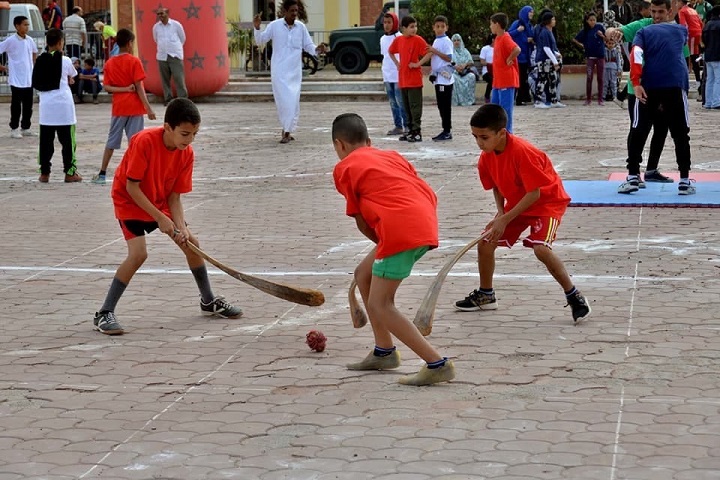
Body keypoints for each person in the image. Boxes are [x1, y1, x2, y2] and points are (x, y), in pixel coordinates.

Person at [93, 99, 243, 335]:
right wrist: (160, 219)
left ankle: (208, 300)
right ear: (167, 127)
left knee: (192, 243)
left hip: (158, 200)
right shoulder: (143, 141)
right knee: (139, 254)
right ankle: (104, 313)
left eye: (195, 134)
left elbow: (174, 198)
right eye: (185, 133)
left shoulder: (186, 153)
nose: (190, 139)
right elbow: (132, 187)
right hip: (130, 201)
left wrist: (180, 226)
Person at [331, 112, 455, 386]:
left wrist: (385, 246)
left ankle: (437, 363)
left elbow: (362, 223)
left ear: (339, 145)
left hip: (400, 229)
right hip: (424, 219)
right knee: (364, 273)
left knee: (380, 303)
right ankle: (383, 351)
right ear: (369, 141)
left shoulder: (344, 168)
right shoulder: (392, 155)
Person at [454, 104, 591, 324]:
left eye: (484, 137)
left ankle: (573, 295)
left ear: (501, 132)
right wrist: (500, 214)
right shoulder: (486, 156)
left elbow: (535, 194)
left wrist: (505, 218)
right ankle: (486, 295)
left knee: (541, 249)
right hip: (519, 204)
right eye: (475, 137)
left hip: (545, 203)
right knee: (486, 242)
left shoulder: (523, 152)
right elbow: (496, 186)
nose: (479, 143)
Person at [616, 0, 694, 195]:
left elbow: (637, 55)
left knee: (639, 130)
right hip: (674, 86)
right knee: (680, 133)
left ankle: (633, 176)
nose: (657, 15)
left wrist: (636, 83)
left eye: (660, 11)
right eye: (654, 11)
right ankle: (684, 180)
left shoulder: (644, 32)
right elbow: (682, 55)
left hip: (649, 87)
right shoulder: (681, 31)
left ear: (668, 12)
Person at [253, 0, 324, 144]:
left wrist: (318, 50)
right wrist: (257, 27)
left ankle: (287, 130)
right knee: (283, 101)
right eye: (292, 11)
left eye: (296, 11)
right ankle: (286, 130)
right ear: (284, 11)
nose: (294, 14)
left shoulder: (301, 27)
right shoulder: (274, 26)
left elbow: (308, 46)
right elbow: (261, 40)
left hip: (294, 71)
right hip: (279, 71)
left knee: (293, 101)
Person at [91, 29, 156, 185]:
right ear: (129, 43)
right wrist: (148, 108)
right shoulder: (134, 61)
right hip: (134, 108)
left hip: (119, 108)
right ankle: (136, 174)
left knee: (112, 141)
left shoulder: (110, 63)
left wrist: (123, 89)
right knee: (136, 143)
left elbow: (107, 87)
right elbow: (139, 87)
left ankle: (102, 173)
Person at [33, 28, 82, 184]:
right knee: (68, 142)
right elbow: (73, 75)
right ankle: (69, 172)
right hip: (64, 107)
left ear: (47, 43)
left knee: (45, 143)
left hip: (47, 107)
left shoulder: (40, 60)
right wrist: (68, 78)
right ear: (61, 42)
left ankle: (44, 173)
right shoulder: (66, 60)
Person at [388, 15, 429, 142]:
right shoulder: (399, 40)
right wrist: (397, 63)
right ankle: (410, 131)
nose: (414, 29)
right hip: (403, 79)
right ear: (404, 28)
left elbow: (429, 52)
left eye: (415, 26)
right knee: (406, 108)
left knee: (415, 107)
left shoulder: (418, 40)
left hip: (414, 80)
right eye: (411, 27)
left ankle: (417, 132)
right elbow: (390, 51)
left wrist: (418, 64)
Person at [0, 15, 38, 139]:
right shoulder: (10, 40)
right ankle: (14, 128)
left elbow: (34, 53)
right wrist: (2, 67)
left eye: (28, 25)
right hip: (16, 78)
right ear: (17, 26)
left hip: (28, 77)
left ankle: (25, 127)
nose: (27, 27)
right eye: (24, 24)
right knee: (16, 104)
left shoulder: (30, 40)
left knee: (28, 105)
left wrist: (33, 67)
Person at [424, 15, 455, 141]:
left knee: (444, 105)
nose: (440, 29)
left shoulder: (446, 41)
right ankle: (445, 129)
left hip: (444, 79)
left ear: (446, 28)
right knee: (441, 105)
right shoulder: (437, 41)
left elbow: (449, 58)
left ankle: (447, 130)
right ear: (433, 28)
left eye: (442, 26)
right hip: (438, 78)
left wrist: (434, 51)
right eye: (437, 27)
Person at [489, 13, 521, 133]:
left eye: (491, 24)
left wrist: (509, 58)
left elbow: (517, 49)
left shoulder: (506, 37)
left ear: (497, 24)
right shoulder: (497, 38)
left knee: (505, 110)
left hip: (506, 80)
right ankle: (498, 133)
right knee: (495, 108)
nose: (490, 26)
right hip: (498, 81)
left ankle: (508, 134)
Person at [153, 7, 188, 106]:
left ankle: (183, 100)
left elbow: (182, 39)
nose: (160, 16)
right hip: (162, 56)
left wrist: (174, 48)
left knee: (179, 78)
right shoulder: (156, 27)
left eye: (162, 14)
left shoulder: (176, 25)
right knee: (165, 80)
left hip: (175, 55)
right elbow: (156, 39)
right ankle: (168, 99)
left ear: (167, 13)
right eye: (158, 14)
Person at [380, 12, 407, 135]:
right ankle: (398, 125)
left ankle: (407, 125)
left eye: (389, 22)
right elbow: (385, 56)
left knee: (401, 101)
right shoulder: (382, 39)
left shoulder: (400, 37)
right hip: (387, 74)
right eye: (385, 22)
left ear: (395, 23)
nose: (386, 25)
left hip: (398, 75)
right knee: (392, 102)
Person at [573, 12, 607, 106]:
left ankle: (600, 99)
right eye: (591, 20)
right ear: (587, 21)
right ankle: (588, 99)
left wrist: (602, 36)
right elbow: (575, 39)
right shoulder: (585, 30)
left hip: (600, 56)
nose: (593, 22)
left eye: (594, 20)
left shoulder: (599, 27)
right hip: (590, 57)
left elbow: (607, 40)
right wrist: (582, 45)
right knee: (589, 77)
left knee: (600, 78)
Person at [534, 11, 565, 109]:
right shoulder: (544, 32)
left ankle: (554, 100)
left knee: (553, 79)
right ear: (548, 21)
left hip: (549, 60)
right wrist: (555, 62)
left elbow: (551, 48)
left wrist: (557, 54)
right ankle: (538, 101)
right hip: (543, 60)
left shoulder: (549, 31)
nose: (554, 21)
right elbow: (546, 48)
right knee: (542, 80)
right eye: (553, 19)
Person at [508, 6, 535, 106]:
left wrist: (530, 40)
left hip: (526, 56)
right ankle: (515, 99)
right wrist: (518, 30)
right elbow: (508, 35)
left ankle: (521, 98)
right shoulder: (517, 23)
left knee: (523, 78)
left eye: (532, 12)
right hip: (517, 56)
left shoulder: (529, 25)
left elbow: (531, 37)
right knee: (517, 78)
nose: (532, 14)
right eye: (530, 12)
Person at [678, 0, 704, 83]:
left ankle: (696, 80)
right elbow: (700, 23)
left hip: (691, 34)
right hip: (698, 33)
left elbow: (683, 25)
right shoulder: (693, 10)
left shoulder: (682, 11)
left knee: (691, 56)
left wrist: (682, 37)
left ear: (680, 2)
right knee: (694, 56)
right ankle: (698, 80)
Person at [451, 33, 478, 106]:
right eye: (454, 40)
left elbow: (471, 62)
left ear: (461, 41)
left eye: (458, 40)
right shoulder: (450, 52)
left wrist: (464, 65)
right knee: (453, 78)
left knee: (472, 76)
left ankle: (469, 100)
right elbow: (449, 63)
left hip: (465, 72)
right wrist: (456, 68)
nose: (456, 42)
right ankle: (457, 101)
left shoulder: (465, 51)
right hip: (455, 72)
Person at [703, 5, 720, 109]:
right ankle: (716, 102)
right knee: (718, 79)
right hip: (718, 55)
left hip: (708, 55)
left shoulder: (707, 25)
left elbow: (704, 41)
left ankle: (708, 102)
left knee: (710, 79)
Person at [603, 37, 624, 105]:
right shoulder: (603, 50)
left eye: (612, 43)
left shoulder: (616, 51)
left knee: (613, 83)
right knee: (605, 83)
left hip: (613, 68)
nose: (610, 45)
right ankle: (603, 96)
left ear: (614, 44)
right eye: (609, 43)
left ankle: (614, 96)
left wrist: (619, 69)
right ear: (606, 43)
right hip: (605, 67)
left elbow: (618, 61)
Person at [479, 34, 495, 104]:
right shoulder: (485, 49)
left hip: (497, 71)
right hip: (487, 71)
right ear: (493, 40)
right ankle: (487, 96)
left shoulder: (499, 48)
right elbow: (482, 62)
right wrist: (491, 65)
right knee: (492, 80)